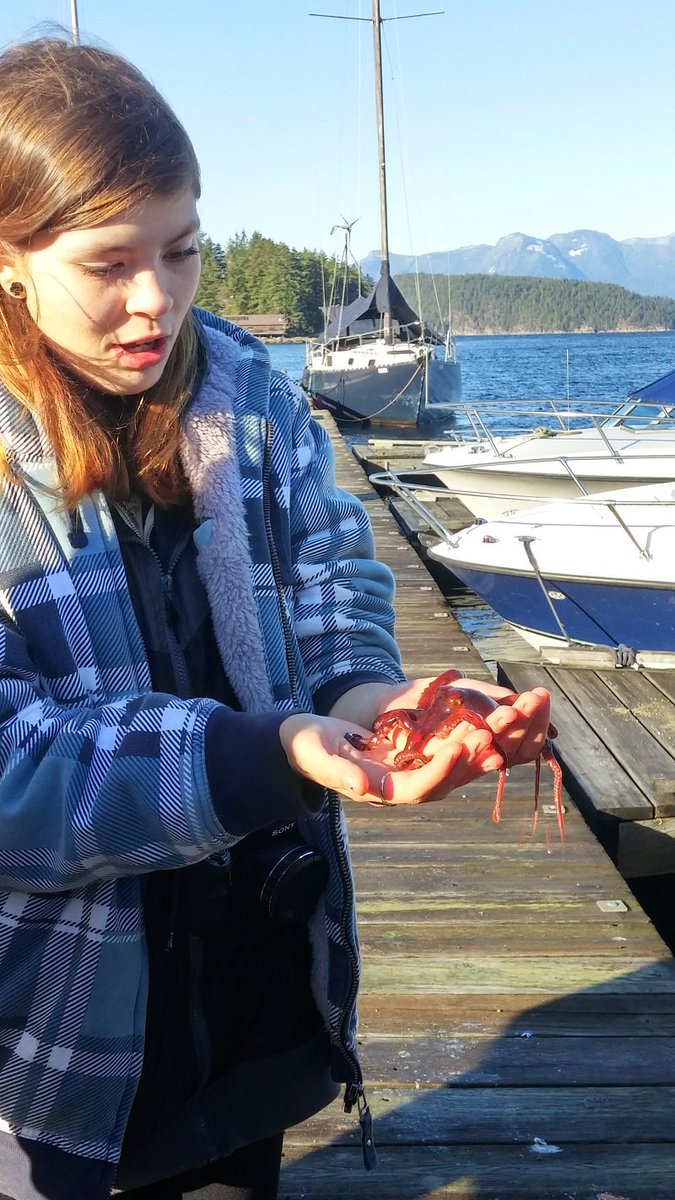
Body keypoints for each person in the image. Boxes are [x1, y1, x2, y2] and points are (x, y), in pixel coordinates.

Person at [0, 34, 552, 1200]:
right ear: (10, 258)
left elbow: (338, 587)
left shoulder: (253, 396)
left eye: (185, 251)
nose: (156, 299)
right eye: (110, 262)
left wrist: (374, 705)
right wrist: (266, 754)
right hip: (59, 1045)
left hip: (258, 995)